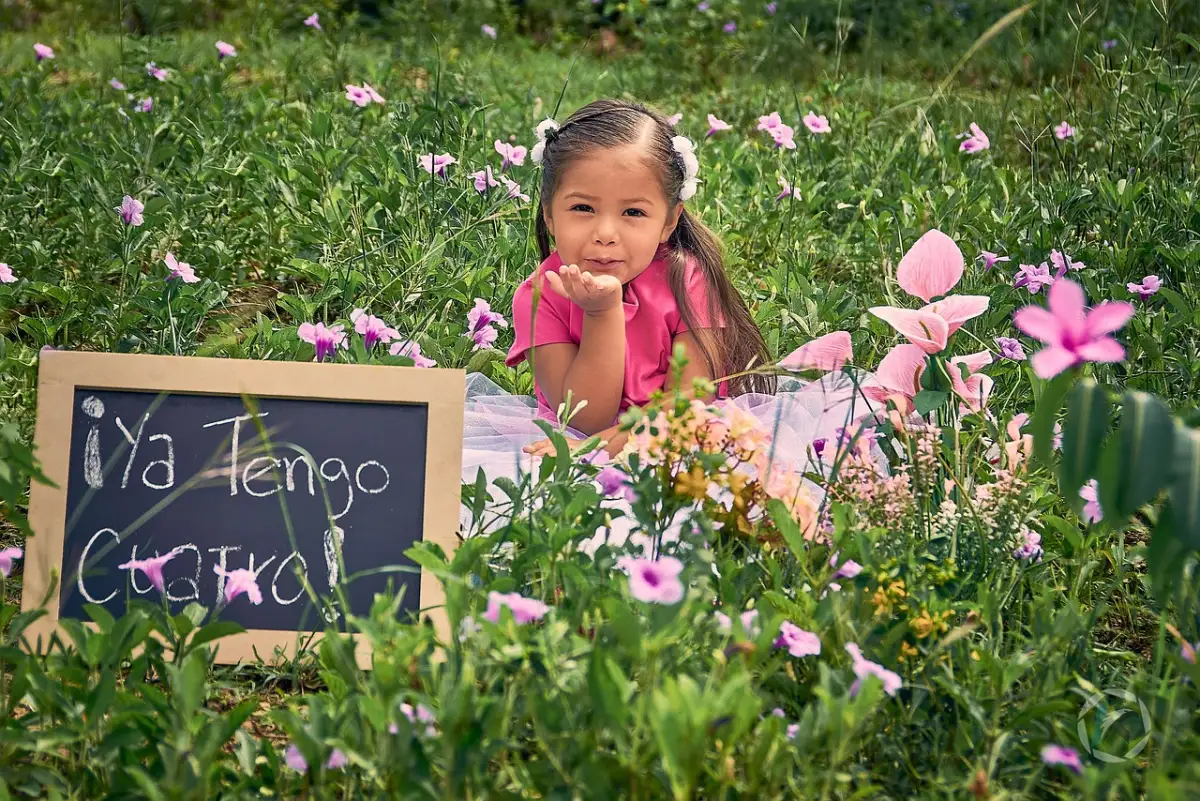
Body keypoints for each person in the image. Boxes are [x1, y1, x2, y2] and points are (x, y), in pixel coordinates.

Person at [461, 99, 877, 538]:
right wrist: (602, 316)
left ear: (668, 221)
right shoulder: (542, 293)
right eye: (582, 208)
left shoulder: (686, 280)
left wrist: (593, 450)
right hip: (574, 439)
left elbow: (684, 412)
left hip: (679, 447)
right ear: (549, 212)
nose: (605, 232)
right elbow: (582, 417)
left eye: (633, 212)